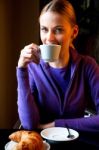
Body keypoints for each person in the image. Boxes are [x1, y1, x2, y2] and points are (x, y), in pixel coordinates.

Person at [16, 0, 99, 132]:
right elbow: (29, 125)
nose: (49, 38)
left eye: (58, 30)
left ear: (74, 32)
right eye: (44, 29)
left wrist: (55, 125)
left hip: (76, 141)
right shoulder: (33, 67)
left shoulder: (88, 66)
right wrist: (21, 70)